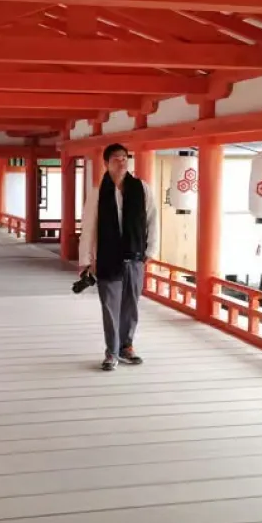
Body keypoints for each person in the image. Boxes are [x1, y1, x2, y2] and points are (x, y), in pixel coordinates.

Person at [79, 143, 159, 371]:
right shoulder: (98, 192)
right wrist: (87, 259)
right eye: (116, 158)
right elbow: (89, 227)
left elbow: (152, 220)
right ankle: (111, 351)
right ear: (106, 163)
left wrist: (150, 250)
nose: (122, 161)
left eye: (125, 157)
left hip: (134, 256)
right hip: (107, 257)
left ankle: (127, 346)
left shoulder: (142, 188)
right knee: (110, 306)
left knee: (131, 304)